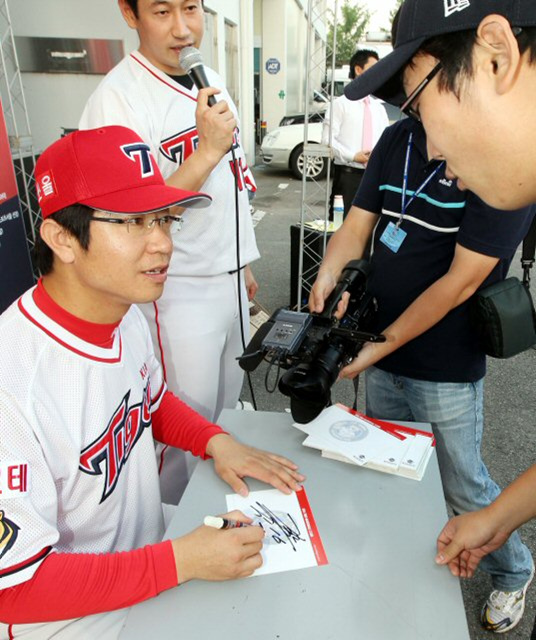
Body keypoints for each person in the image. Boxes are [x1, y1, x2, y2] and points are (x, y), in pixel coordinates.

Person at [0, 126, 304, 640]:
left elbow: (151, 401)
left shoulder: (124, 311)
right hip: (68, 617)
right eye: (133, 222)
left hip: (145, 558)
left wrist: (216, 440)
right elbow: (15, 589)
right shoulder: (14, 382)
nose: (162, 242)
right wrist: (178, 562)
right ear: (61, 238)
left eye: (163, 218)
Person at [342, 1, 536, 633]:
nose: (429, 144)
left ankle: (514, 571)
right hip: (386, 356)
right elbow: (357, 230)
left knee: (460, 481)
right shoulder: (413, 148)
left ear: (495, 54)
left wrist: (492, 515)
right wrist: (500, 514)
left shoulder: (502, 178)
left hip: (446, 365)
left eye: (420, 102)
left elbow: (461, 282)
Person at [79, 0, 260, 503]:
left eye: (191, 9)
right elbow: (129, 218)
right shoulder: (116, 99)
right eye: (162, 12)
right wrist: (205, 151)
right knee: (182, 426)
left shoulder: (210, 76)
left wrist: (242, 259)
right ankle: (172, 533)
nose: (183, 29)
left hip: (225, 275)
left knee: (224, 408)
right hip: (172, 288)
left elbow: (234, 180)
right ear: (129, 13)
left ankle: (211, 515)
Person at [321, 49, 389, 218]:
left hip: (375, 177)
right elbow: (327, 140)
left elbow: (387, 141)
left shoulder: (379, 108)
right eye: (373, 67)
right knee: (341, 227)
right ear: (358, 70)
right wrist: (353, 156)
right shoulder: (340, 104)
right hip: (348, 176)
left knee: (369, 230)